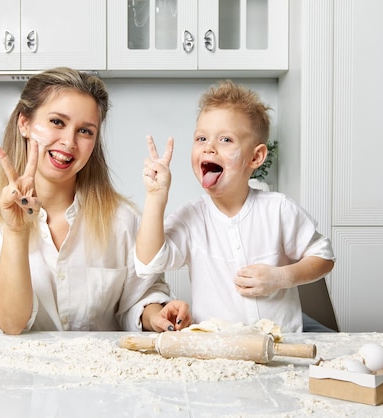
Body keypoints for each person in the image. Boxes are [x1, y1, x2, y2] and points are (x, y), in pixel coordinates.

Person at [0, 67, 190, 335]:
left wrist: (156, 316)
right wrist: (15, 231)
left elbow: (140, 298)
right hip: (15, 375)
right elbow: (12, 323)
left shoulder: (122, 219)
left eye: (85, 131)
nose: (69, 142)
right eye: (57, 122)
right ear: (25, 124)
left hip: (99, 373)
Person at [135, 80, 335, 332]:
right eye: (202, 138)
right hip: (217, 351)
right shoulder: (191, 217)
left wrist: (281, 277)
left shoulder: (278, 210)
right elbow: (147, 263)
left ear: (255, 157)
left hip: (281, 347)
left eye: (225, 139)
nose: (209, 147)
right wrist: (156, 196)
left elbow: (324, 257)